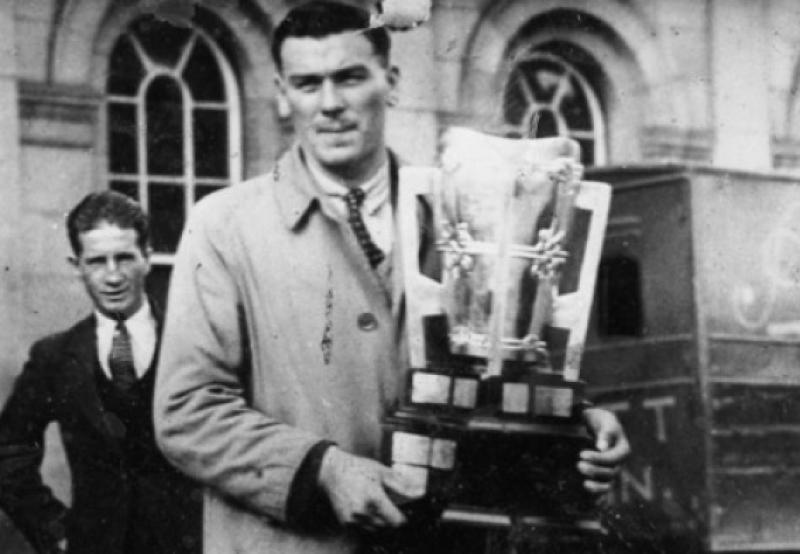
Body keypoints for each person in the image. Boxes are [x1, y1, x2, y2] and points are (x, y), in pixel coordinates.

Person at [153, 2, 630, 553]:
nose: (330, 104)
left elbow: (499, 367)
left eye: (350, 78)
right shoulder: (224, 226)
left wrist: (574, 428)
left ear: (391, 82)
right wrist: (322, 471)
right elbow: (186, 411)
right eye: (308, 84)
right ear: (283, 95)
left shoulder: (459, 212)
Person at [0, 191, 202, 554]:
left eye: (124, 258)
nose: (112, 277)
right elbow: (8, 450)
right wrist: (54, 530)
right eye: (96, 262)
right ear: (76, 265)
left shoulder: (195, 343)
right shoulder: (55, 357)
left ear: (147, 258)